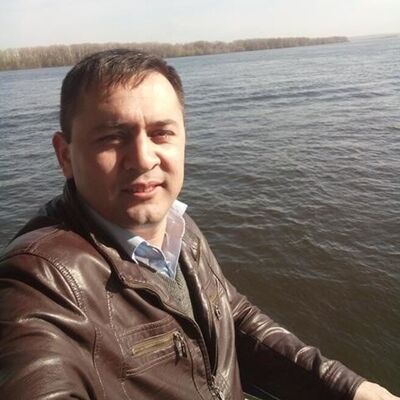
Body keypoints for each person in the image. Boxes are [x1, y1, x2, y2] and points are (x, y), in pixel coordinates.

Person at [0, 49, 397, 400]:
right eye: (111, 137)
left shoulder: (177, 224)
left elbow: (231, 315)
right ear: (65, 155)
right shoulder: (41, 281)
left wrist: (348, 389)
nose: (143, 158)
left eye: (161, 133)